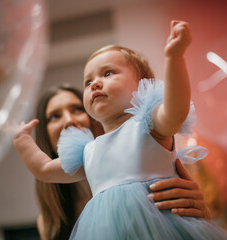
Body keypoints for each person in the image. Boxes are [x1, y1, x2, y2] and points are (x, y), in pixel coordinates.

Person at [14, 20, 227, 239]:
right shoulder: (88, 152)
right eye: (87, 81)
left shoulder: (148, 125)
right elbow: (43, 168)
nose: (95, 83)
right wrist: (22, 141)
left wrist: (174, 57)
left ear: (141, 84)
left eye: (108, 73)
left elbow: (175, 110)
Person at [33, 85, 210, 239]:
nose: (69, 120)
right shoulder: (49, 222)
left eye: (77, 109)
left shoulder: (150, 165)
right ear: (45, 136)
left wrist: (202, 213)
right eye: (54, 116)